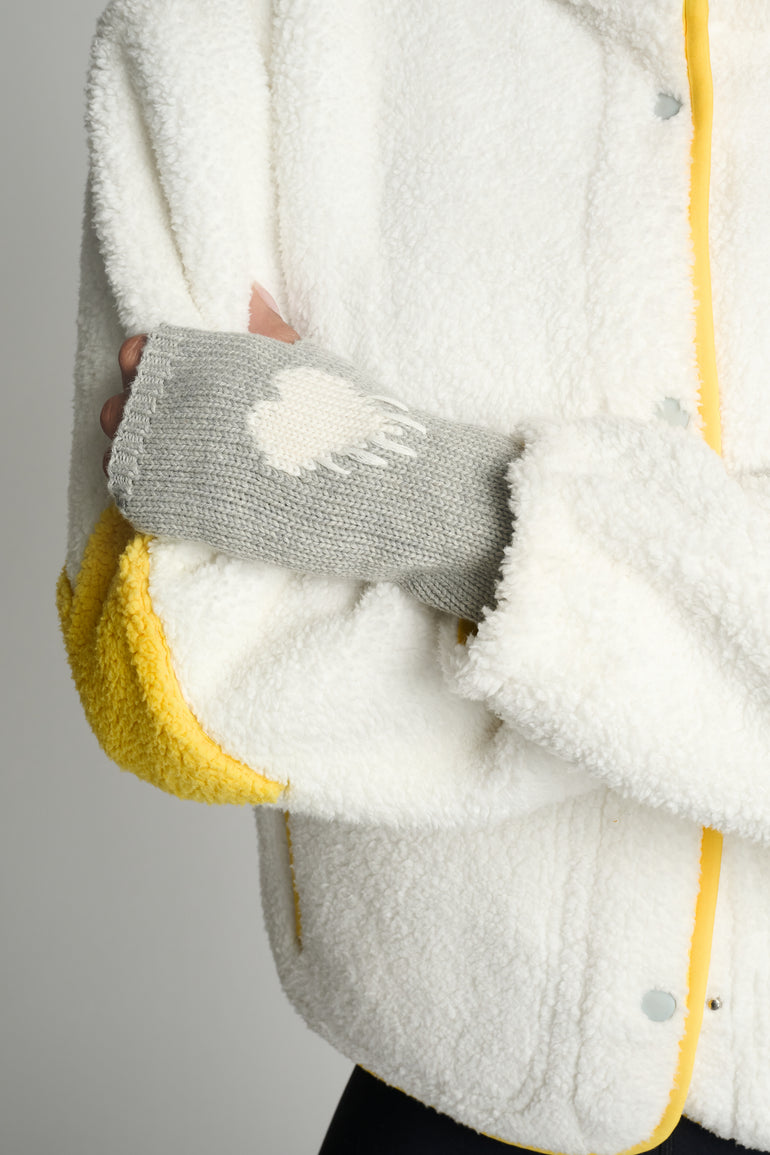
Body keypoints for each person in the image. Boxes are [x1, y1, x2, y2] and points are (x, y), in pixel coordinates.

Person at [57, 0, 770, 1151]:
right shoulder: (236, 27)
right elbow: (171, 672)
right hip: (448, 1094)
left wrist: (430, 509)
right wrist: (705, 665)